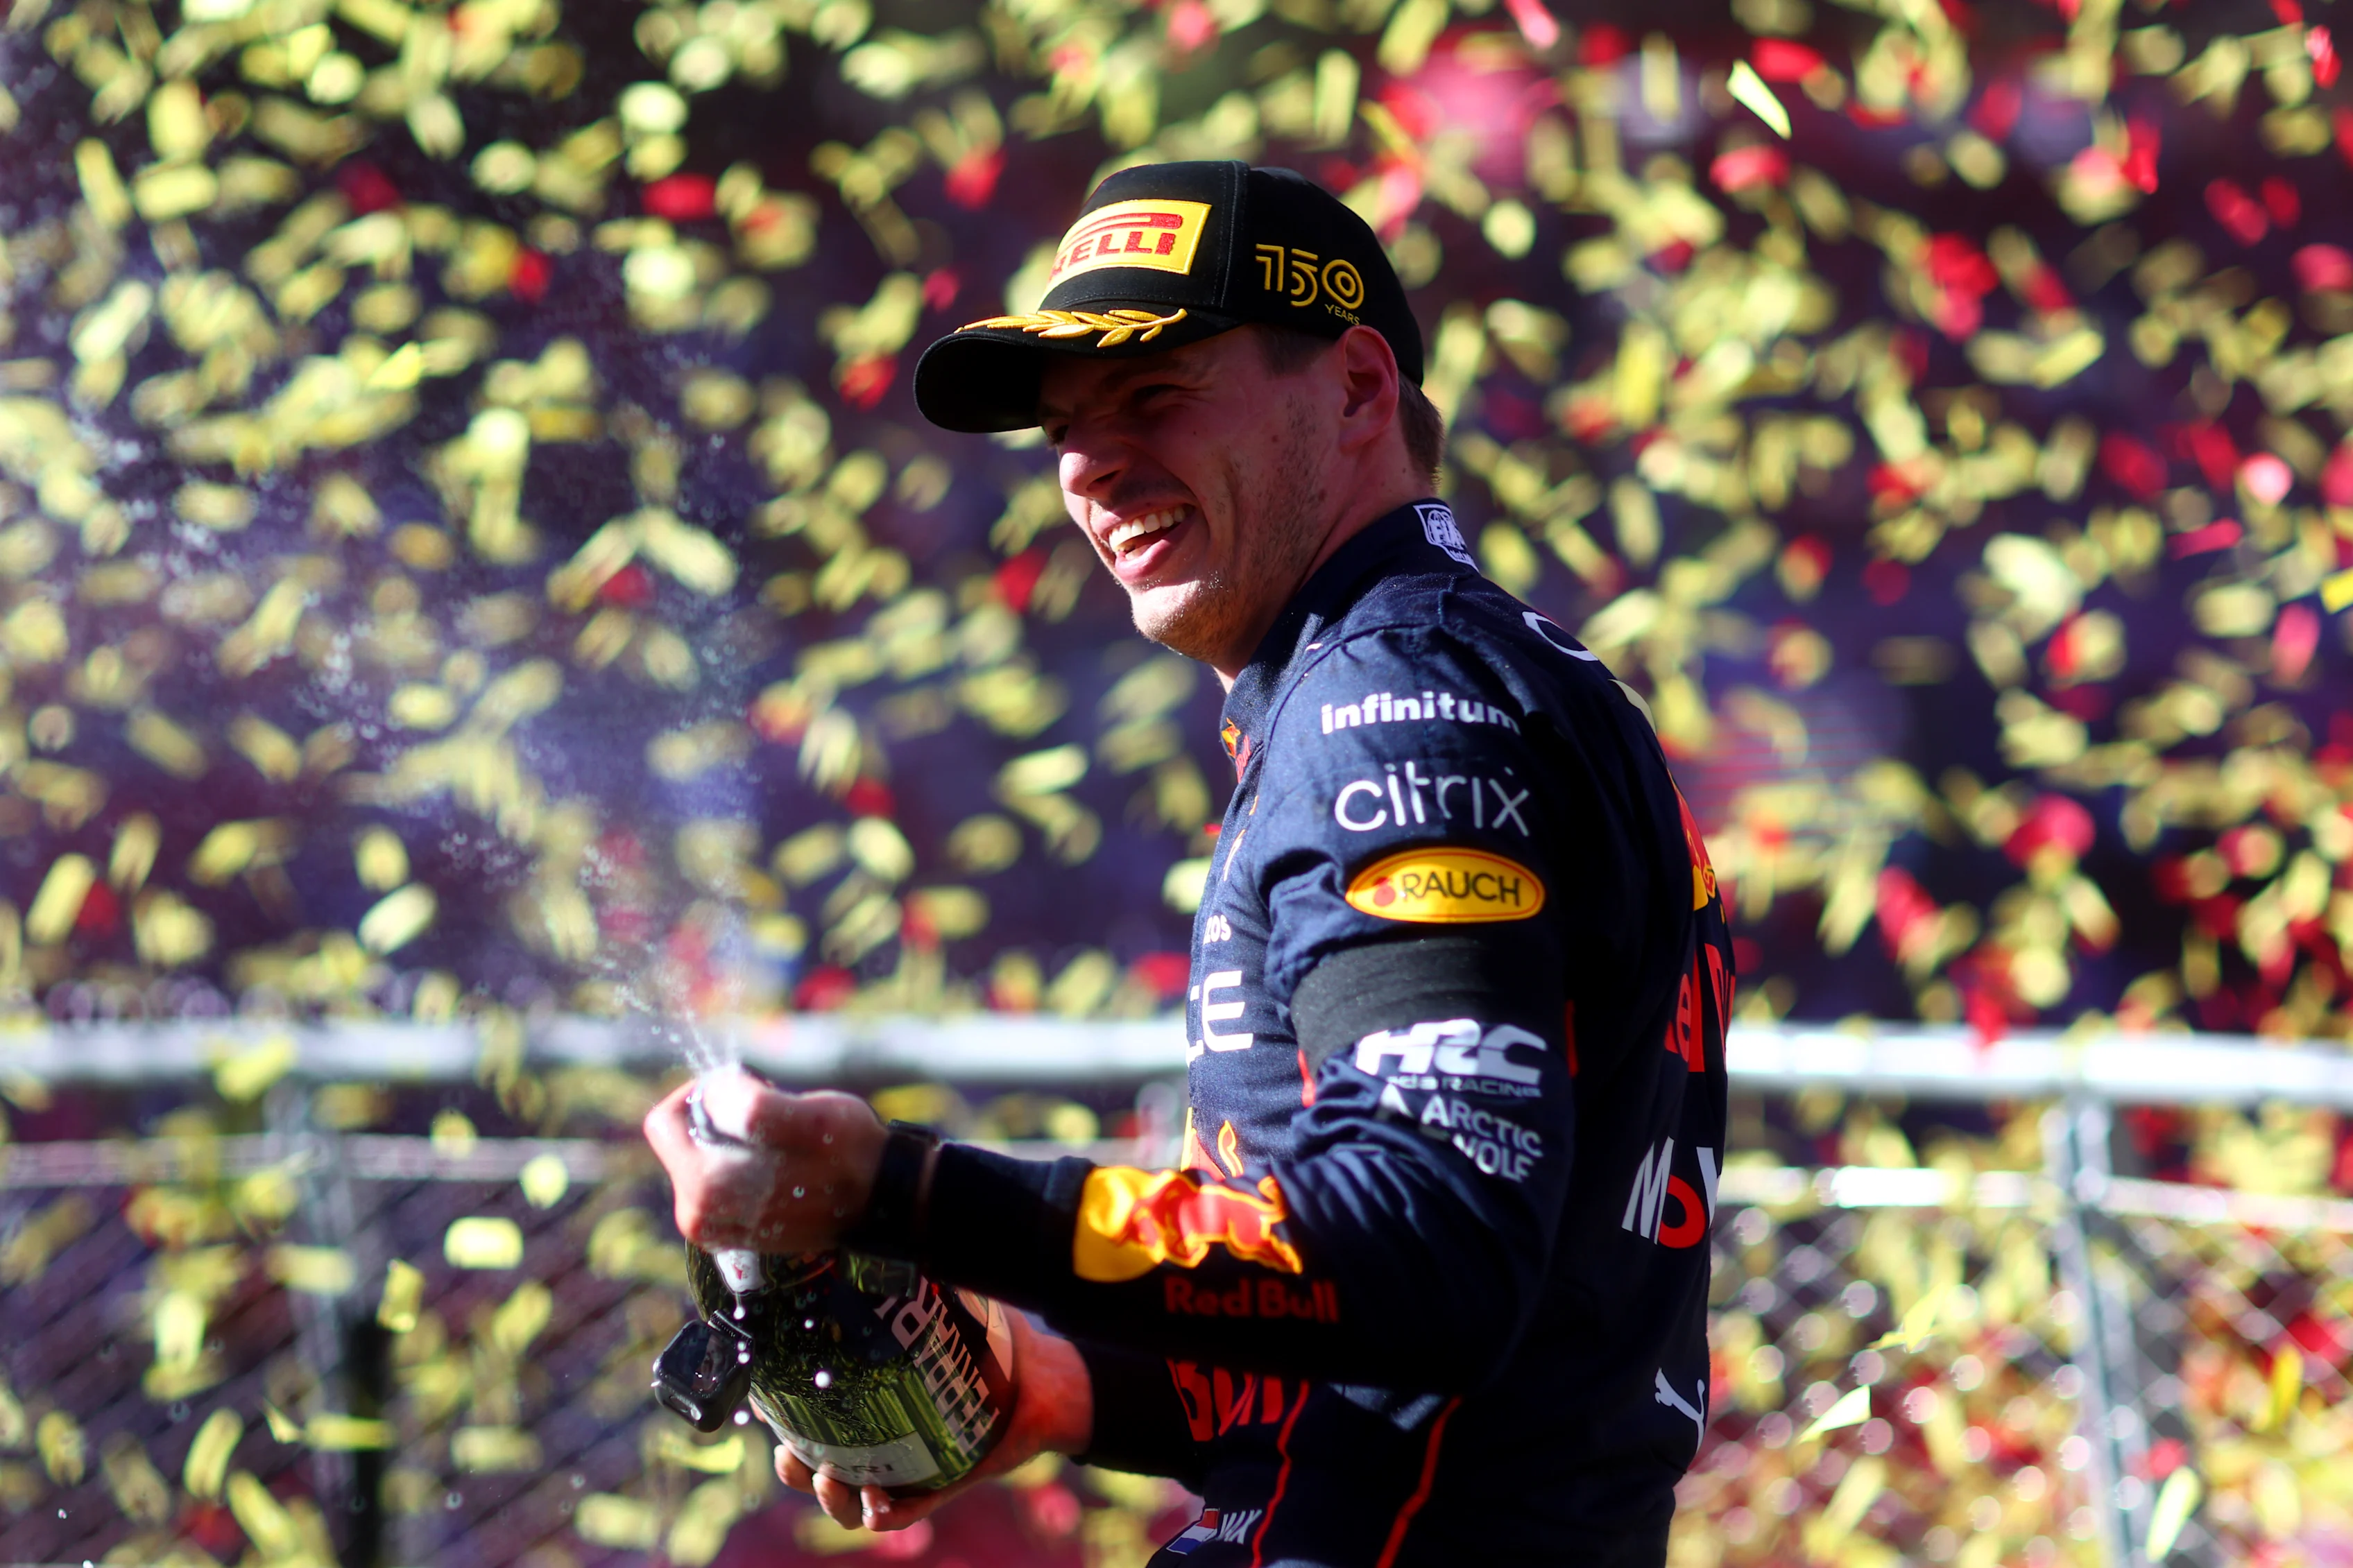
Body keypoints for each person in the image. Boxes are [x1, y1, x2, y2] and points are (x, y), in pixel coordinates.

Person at [644, 160, 1734, 1567]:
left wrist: (906, 1194)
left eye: (1154, 394)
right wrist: (1064, 1384)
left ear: (1357, 389)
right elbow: (1419, 1333)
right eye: (1063, 427)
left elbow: (1436, 1253)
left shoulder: (1395, 699)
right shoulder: (1469, 677)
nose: (1088, 467)